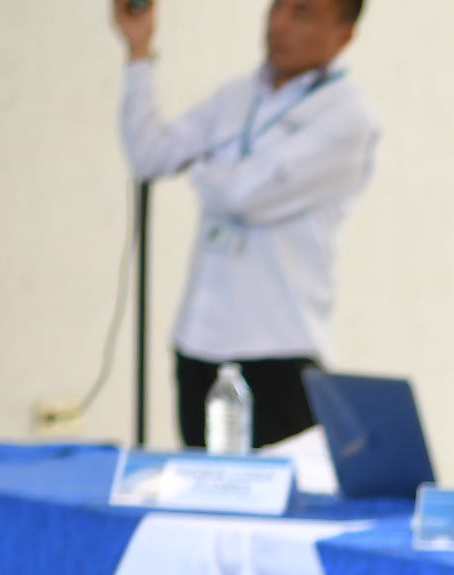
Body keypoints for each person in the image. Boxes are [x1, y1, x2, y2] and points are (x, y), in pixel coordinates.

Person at [114, 0, 377, 455]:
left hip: (277, 350)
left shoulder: (347, 117)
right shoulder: (236, 96)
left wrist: (207, 164)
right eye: (276, 7)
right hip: (199, 343)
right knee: (202, 501)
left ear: (344, 35)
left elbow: (245, 196)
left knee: (275, 510)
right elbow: (150, 156)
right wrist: (139, 51)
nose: (279, 24)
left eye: (303, 13)